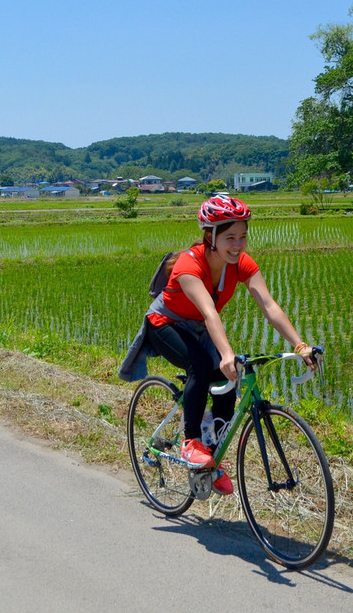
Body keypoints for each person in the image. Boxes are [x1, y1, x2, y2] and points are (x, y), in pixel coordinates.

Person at [119, 194, 316, 496]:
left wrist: (300, 345)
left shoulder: (241, 264)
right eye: (230, 238)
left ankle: (211, 458)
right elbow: (210, 313)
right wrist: (225, 353)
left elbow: (268, 304)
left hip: (200, 327)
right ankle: (191, 442)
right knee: (199, 363)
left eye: (243, 237)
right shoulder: (189, 264)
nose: (238, 245)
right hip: (167, 323)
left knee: (229, 376)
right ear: (210, 236)